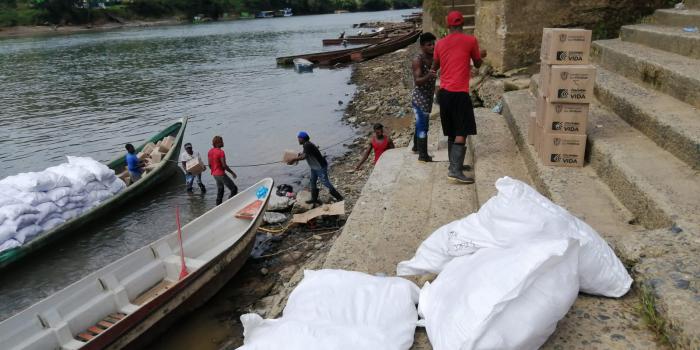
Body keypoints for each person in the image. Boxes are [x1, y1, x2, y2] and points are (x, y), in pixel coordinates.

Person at [430, 10, 487, 184]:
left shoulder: (439, 43)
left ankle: (456, 165)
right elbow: (477, 63)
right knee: (462, 130)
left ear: (448, 25)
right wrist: (481, 55)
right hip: (460, 93)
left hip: (444, 94)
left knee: (452, 131)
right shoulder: (471, 40)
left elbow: (435, 66)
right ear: (462, 24)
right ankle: (454, 170)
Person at [288, 131, 343, 205]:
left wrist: (294, 159)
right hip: (314, 167)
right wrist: (298, 155)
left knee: (325, 182)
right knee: (312, 182)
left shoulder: (307, 145)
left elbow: (304, 156)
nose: (298, 140)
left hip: (320, 167)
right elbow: (305, 153)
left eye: (299, 138)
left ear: (302, 138)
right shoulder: (307, 144)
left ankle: (339, 197)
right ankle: (314, 199)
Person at [411, 32, 438, 162]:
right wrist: (429, 76)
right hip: (419, 98)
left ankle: (416, 147)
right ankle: (423, 156)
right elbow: (417, 81)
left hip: (428, 97)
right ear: (422, 46)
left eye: (433, 44)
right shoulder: (418, 60)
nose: (432, 46)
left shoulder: (433, 57)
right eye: (429, 45)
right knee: (423, 126)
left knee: (419, 124)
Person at [208, 136, 238, 205]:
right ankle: (228, 204)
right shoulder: (221, 152)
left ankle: (218, 206)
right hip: (221, 174)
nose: (223, 143)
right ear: (217, 143)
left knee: (220, 190)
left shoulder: (210, 151)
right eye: (221, 142)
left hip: (214, 174)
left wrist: (214, 170)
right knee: (234, 189)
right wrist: (232, 173)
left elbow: (209, 164)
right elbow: (224, 165)